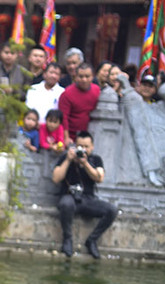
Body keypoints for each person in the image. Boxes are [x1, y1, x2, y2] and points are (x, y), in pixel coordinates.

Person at [51, 131, 116, 259]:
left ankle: (92, 240)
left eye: (86, 147)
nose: (83, 149)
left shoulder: (95, 160)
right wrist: (69, 160)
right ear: (75, 146)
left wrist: (85, 163)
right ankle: (68, 239)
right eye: (80, 146)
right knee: (65, 204)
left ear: (92, 147)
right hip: (70, 197)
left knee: (112, 210)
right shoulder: (66, 158)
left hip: (88, 199)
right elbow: (56, 178)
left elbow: (99, 178)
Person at [58, 62, 100, 144]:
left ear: (92, 77)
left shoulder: (97, 91)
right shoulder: (67, 93)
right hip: (73, 137)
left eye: (87, 76)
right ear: (75, 77)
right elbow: (64, 118)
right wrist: (66, 137)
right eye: (81, 76)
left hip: (93, 134)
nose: (84, 79)